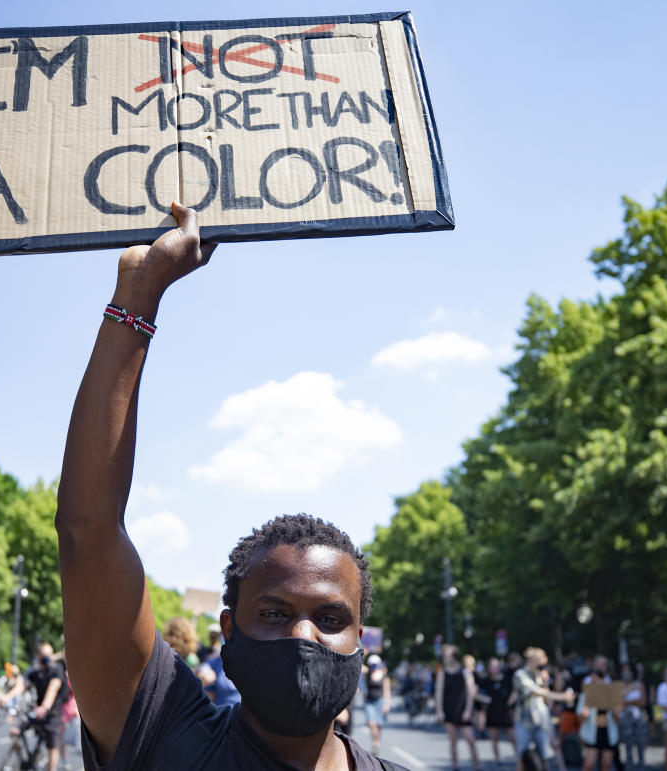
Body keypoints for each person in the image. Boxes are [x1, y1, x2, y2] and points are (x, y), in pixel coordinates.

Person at [54, 203, 407, 770]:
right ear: (227, 631)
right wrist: (139, 296)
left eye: (332, 619)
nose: (303, 637)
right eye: (272, 613)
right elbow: (88, 529)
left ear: (361, 641)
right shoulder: (165, 738)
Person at [0, 642, 68, 771]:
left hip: (52, 713)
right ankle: (22, 760)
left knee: (52, 745)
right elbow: (22, 685)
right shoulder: (34, 671)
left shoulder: (57, 669)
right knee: (15, 731)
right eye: (44, 655)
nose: (47, 658)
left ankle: (51, 768)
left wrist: (45, 706)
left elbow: (53, 688)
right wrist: (7, 697)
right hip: (36, 711)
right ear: (38, 656)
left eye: (49, 655)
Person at [513, 647, 574, 771]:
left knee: (545, 755)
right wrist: (562, 696)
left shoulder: (540, 675)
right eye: (541, 659)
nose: (544, 663)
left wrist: (545, 683)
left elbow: (547, 700)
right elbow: (536, 692)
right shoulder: (520, 674)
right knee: (521, 756)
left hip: (541, 719)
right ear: (534, 660)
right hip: (524, 721)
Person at [435, 645, 479, 771]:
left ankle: (477, 766)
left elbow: (471, 693)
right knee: (453, 740)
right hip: (449, 710)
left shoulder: (465, 672)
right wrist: (439, 711)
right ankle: (455, 766)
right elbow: (439, 692)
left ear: (454, 656)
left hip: (463, 710)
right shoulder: (443, 672)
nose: (444, 657)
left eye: (447, 655)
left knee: (471, 740)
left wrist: (468, 711)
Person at [577, 655, 619, 771]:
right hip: (592, 730)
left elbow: (617, 712)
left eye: (604, 664)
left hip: (608, 729)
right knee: (589, 764)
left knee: (606, 765)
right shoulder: (588, 683)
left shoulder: (610, 682)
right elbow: (581, 712)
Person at [479, 657, 515, 762]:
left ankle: (518, 757)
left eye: (496, 665)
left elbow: (515, 690)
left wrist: (510, 702)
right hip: (492, 711)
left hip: (505, 711)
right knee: (494, 738)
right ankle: (497, 759)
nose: (494, 668)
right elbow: (474, 691)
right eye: (492, 666)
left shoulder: (506, 679)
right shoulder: (486, 681)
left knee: (512, 737)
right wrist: (484, 699)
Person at [619, 663, 647, 771]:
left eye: (628, 670)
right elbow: (617, 701)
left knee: (641, 743)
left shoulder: (639, 685)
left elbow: (642, 702)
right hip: (626, 718)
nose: (626, 673)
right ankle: (629, 767)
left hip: (639, 717)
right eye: (624, 670)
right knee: (628, 744)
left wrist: (626, 701)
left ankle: (641, 766)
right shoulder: (620, 685)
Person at [363, 652, 391, 754]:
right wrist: (364, 653)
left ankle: (377, 743)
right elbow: (359, 664)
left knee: (378, 725)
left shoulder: (383, 675)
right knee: (371, 723)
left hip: (380, 701)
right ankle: (375, 743)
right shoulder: (368, 673)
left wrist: (387, 704)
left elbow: (387, 690)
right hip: (370, 702)